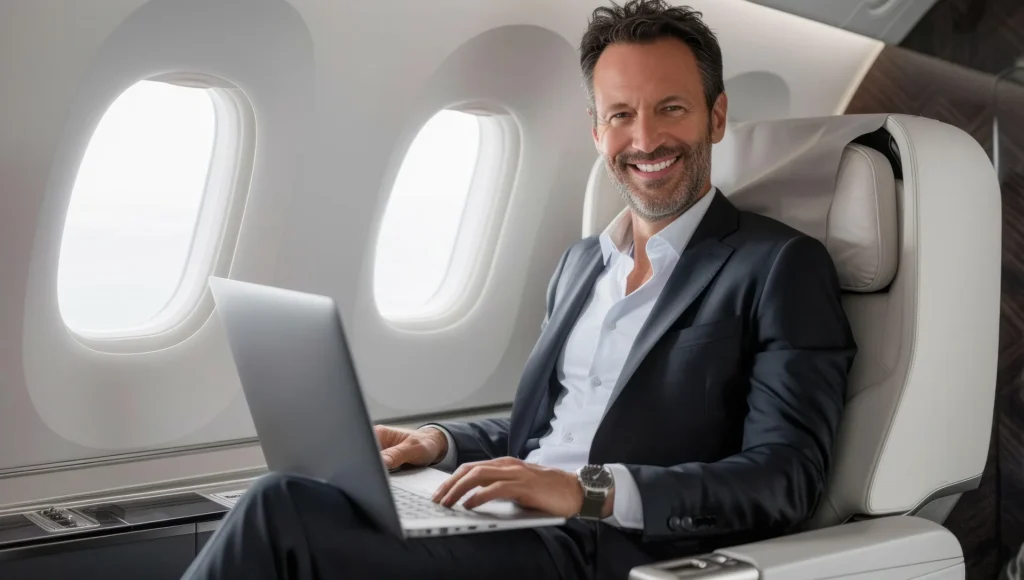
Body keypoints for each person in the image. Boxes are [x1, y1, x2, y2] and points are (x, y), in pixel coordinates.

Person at [182, 1, 855, 578]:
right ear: (596, 130)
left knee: (280, 511)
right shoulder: (582, 264)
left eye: (670, 109)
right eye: (621, 115)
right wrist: (439, 444)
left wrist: (583, 492)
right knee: (300, 493)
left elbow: (783, 478)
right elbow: (557, 423)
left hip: (609, 548)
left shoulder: (779, 267)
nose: (645, 138)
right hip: (516, 523)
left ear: (715, 116)